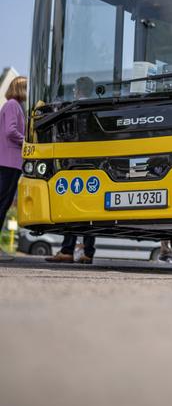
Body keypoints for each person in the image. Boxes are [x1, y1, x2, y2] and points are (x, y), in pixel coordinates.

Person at [46, 76, 97, 265]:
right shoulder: (95, 108)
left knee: (70, 205)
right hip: (91, 163)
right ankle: (88, 253)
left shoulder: (72, 108)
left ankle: (67, 250)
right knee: (89, 209)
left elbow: (65, 134)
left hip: (73, 162)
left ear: (78, 90)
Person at [0, 76, 27, 261]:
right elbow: (11, 131)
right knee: (1, 204)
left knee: (3, 205)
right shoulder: (12, 105)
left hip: (10, 163)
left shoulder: (15, 105)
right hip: (8, 162)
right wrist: (25, 142)